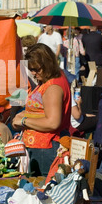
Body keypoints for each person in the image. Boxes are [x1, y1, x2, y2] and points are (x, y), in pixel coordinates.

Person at [12, 43, 71, 177]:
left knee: (43, 190)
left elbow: (52, 123)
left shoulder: (53, 87)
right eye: (30, 69)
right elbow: (42, 110)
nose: (33, 73)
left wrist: (24, 121)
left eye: (36, 69)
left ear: (47, 64)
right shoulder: (49, 80)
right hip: (42, 147)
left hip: (47, 147)